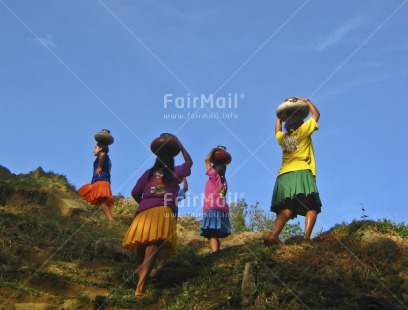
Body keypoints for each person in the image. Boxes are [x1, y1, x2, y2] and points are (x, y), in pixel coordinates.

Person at [122, 137, 192, 297]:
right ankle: (140, 288)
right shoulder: (175, 172)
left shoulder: (148, 174)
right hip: (163, 212)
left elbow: (134, 192)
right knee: (152, 247)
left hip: (143, 213)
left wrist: (145, 203)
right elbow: (189, 163)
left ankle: (140, 286)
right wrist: (180, 146)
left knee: (141, 247)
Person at [263, 97, 322, 245]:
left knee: (287, 210)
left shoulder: (283, 139)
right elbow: (316, 115)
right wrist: (306, 101)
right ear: (301, 122)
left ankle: (273, 237)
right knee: (312, 208)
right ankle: (306, 239)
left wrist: (280, 116)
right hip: (302, 172)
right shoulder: (303, 131)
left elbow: (277, 130)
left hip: (284, 176)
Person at [200, 148, 231, 253]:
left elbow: (206, 160)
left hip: (212, 208)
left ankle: (215, 253)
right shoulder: (224, 181)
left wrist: (214, 149)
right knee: (214, 232)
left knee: (211, 233)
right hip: (222, 209)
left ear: (214, 168)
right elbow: (223, 194)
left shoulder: (214, 176)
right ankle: (219, 250)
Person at [156, 177, 188, 270]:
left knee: (160, 241)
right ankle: (160, 265)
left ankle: (158, 264)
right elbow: (185, 188)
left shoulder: (170, 191)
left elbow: (185, 189)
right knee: (166, 242)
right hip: (170, 219)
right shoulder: (174, 192)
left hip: (163, 218)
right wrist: (184, 177)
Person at [78, 142, 114, 221]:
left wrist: (100, 167)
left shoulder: (103, 155)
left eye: (95, 147)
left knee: (102, 202)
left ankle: (112, 221)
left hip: (100, 181)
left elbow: (102, 154)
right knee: (83, 191)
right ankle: (111, 219)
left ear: (100, 148)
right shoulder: (107, 159)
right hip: (98, 181)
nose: (94, 149)